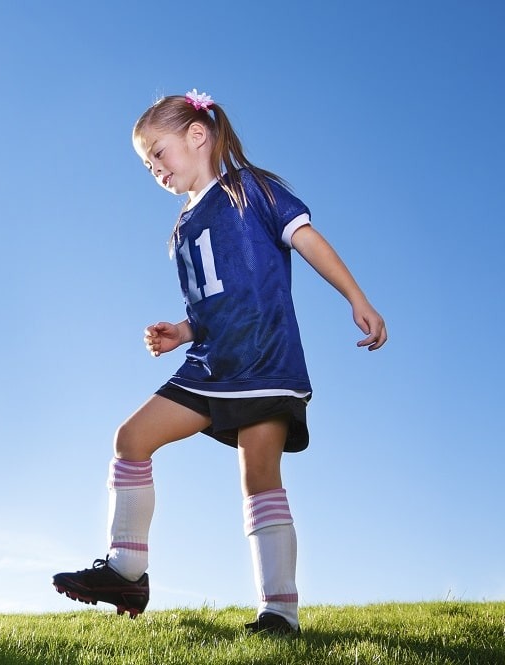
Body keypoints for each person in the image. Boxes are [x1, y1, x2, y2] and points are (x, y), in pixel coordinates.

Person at [52, 90, 387, 635]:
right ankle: (127, 572)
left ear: (197, 135)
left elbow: (307, 240)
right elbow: (211, 302)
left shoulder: (249, 190)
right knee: (130, 439)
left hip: (263, 359)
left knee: (259, 480)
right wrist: (181, 331)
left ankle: (280, 612)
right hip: (210, 362)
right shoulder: (181, 231)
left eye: (159, 152)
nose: (155, 168)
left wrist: (357, 297)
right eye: (146, 163)